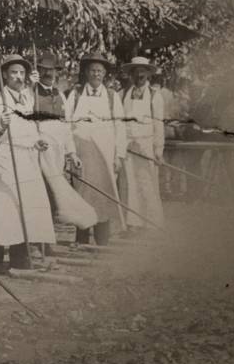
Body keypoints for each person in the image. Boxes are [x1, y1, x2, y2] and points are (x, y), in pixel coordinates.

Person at [0, 54, 55, 270]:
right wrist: (0, 123)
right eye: (13, 72)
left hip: (27, 158)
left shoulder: (28, 99)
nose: (18, 77)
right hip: (7, 158)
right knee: (3, 207)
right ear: (5, 75)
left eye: (21, 73)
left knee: (25, 209)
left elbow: (29, 128)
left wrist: (37, 141)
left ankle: (19, 260)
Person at [29, 53, 96, 236]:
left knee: (53, 197)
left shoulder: (60, 95)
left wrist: (71, 153)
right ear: (38, 71)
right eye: (44, 70)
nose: (48, 73)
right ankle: (37, 241)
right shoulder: (30, 93)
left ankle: (47, 239)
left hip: (57, 154)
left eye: (51, 70)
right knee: (39, 196)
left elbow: (66, 128)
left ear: (56, 72)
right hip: (38, 154)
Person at [64, 53, 127, 246]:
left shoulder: (111, 96)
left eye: (100, 71)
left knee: (103, 197)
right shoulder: (74, 95)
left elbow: (120, 127)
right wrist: (71, 153)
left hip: (105, 159)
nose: (96, 74)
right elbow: (66, 125)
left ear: (105, 73)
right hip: (81, 159)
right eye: (92, 70)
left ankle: (102, 242)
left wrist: (119, 155)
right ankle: (81, 241)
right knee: (82, 197)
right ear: (86, 72)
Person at [119, 56, 165, 230]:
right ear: (131, 74)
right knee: (129, 184)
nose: (139, 74)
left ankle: (152, 224)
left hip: (147, 148)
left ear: (148, 74)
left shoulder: (155, 96)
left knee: (148, 184)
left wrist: (158, 150)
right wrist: (123, 144)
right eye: (136, 71)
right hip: (128, 147)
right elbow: (119, 122)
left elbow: (158, 124)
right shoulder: (122, 94)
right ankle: (132, 224)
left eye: (142, 71)